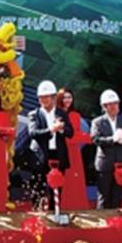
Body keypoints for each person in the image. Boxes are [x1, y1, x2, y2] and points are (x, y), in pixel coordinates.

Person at [27, 80, 73, 210]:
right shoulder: (34, 114)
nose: (44, 100)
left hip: (58, 154)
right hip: (40, 156)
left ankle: (55, 212)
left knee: (56, 188)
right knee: (38, 188)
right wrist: (51, 130)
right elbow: (33, 133)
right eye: (42, 97)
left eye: (47, 97)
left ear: (53, 98)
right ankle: (37, 214)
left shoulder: (61, 113)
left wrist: (61, 129)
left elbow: (70, 133)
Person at [91, 89, 122, 209]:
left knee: (117, 196)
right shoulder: (97, 122)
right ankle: (103, 219)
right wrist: (112, 139)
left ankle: (116, 218)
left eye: (116, 103)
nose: (115, 106)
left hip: (120, 163)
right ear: (104, 106)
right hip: (105, 164)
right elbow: (96, 140)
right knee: (103, 196)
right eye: (111, 104)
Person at [55, 88, 90, 210]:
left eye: (69, 97)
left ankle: (75, 205)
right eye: (64, 97)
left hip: (74, 152)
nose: (67, 100)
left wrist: (86, 137)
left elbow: (76, 134)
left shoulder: (75, 115)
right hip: (61, 150)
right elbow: (71, 136)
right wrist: (88, 137)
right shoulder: (56, 113)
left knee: (75, 179)